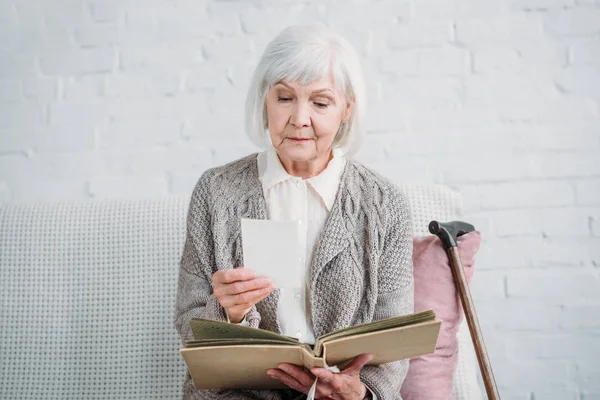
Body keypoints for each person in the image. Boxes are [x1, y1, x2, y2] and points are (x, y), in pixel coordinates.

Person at [174, 24, 414, 400]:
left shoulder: (385, 204)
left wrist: (359, 392)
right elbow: (189, 326)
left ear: (346, 110)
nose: (300, 118)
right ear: (265, 100)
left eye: (320, 103)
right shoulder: (216, 192)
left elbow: (394, 337)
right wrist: (228, 314)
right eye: (284, 98)